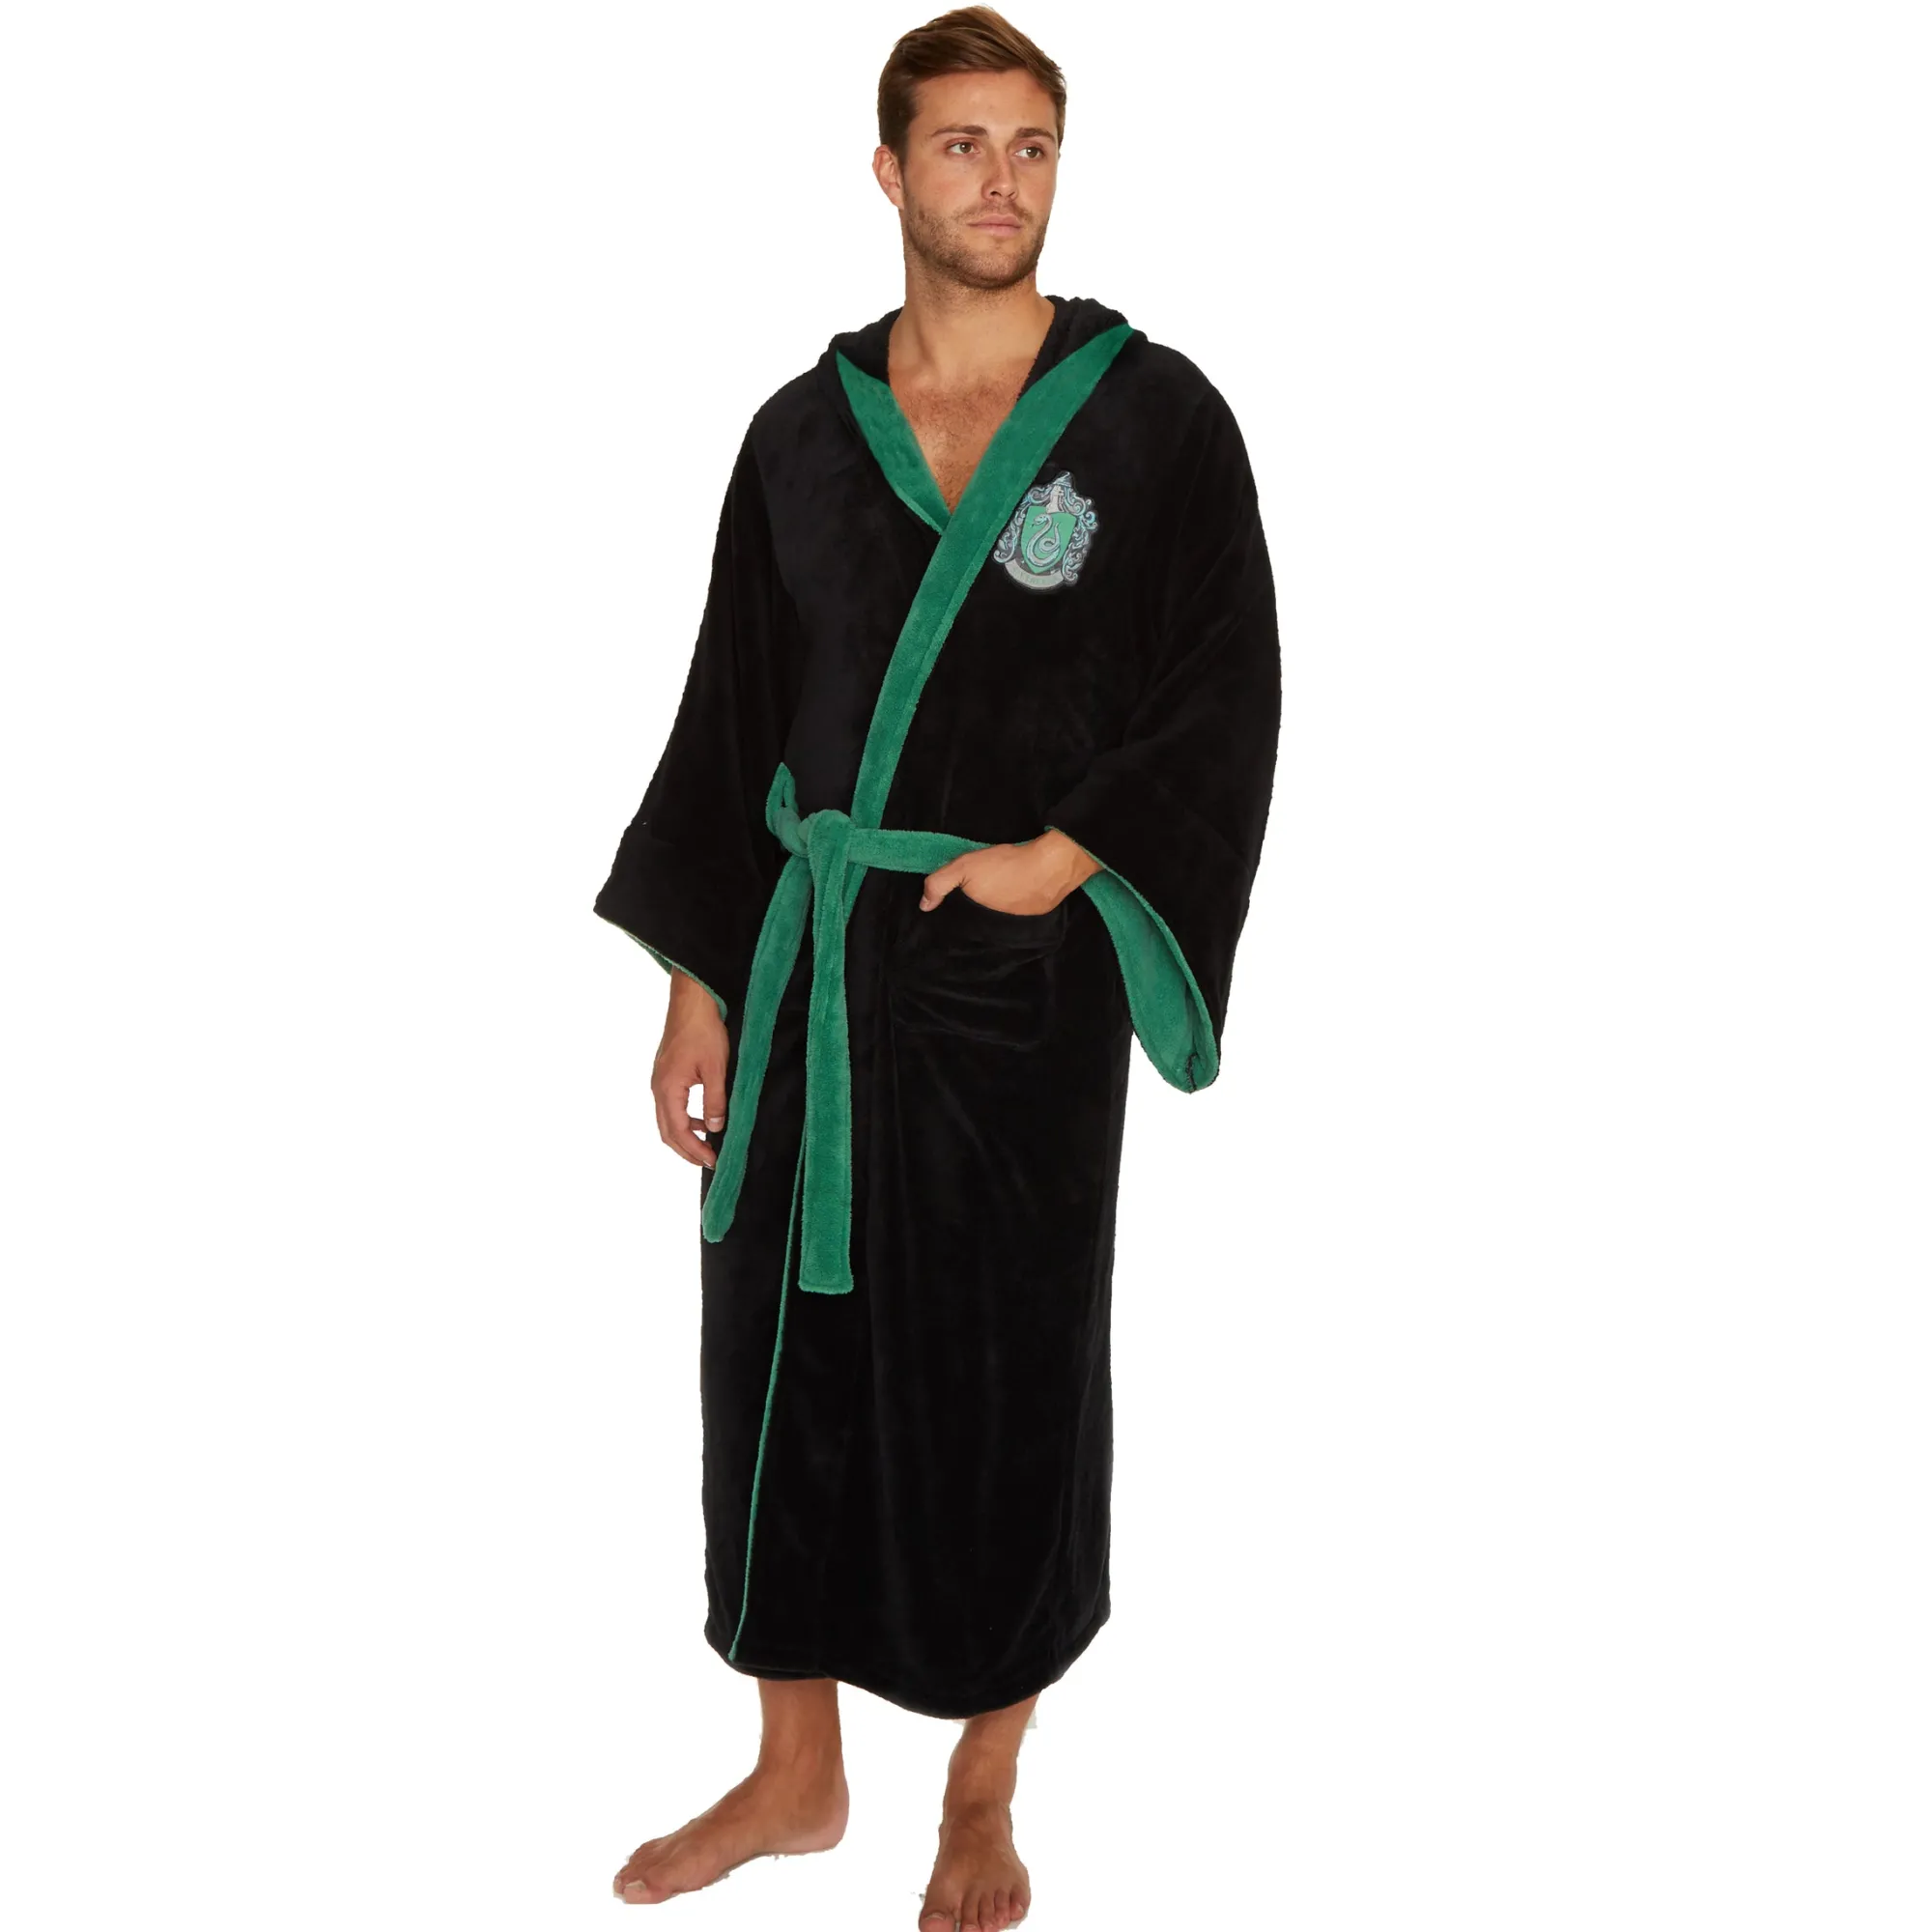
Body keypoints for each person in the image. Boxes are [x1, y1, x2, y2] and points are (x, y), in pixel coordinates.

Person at [597, 9, 1280, 1926]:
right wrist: (697, 977)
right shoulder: (797, 436)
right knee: (773, 1351)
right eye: (963, 145)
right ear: (889, 169)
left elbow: (1225, 683)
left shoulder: (1152, 422)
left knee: (1002, 1365)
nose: (1001, 182)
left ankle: (983, 1781)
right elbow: (734, 717)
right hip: (809, 966)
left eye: (1031, 145)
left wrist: (1064, 858)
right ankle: (795, 1769)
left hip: (1018, 991)